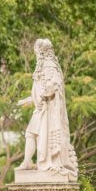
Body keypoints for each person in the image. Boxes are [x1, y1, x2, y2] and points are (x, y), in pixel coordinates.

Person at [16, 38, 77, 178]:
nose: (36, 55)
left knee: (32, 134)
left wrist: (42, 97)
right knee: (31, 134)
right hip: (42, 108)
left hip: (48, 110)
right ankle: (27, 161)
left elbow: (53, 85)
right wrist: (29, 99)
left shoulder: (49, 65)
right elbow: (40, 89)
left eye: (37, 52)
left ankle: (32, 161)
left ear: (41, 51)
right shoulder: (43, 66)